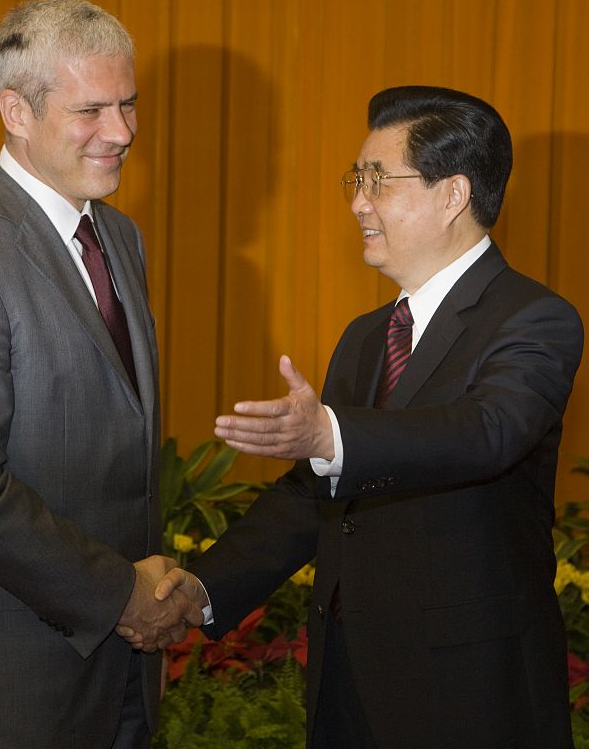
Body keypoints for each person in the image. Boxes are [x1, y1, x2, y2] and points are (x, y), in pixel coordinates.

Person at [142, 86, 584, 747]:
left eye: (377, 182)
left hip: (471, 694)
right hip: (347, 687)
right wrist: (202, 590)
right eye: (356, 180)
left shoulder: (532, 318)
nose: (357, 203)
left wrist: (329, 432)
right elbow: (313, 495)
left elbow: (487, 431)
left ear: (452, 194)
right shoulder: (365, 335)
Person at [0, 0, 200, 749]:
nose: (121, 132)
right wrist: (123, 595)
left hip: (118, 672)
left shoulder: (118, 235)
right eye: (91, 110)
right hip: (2, 688)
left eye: (128, 103)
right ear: (15, 111)